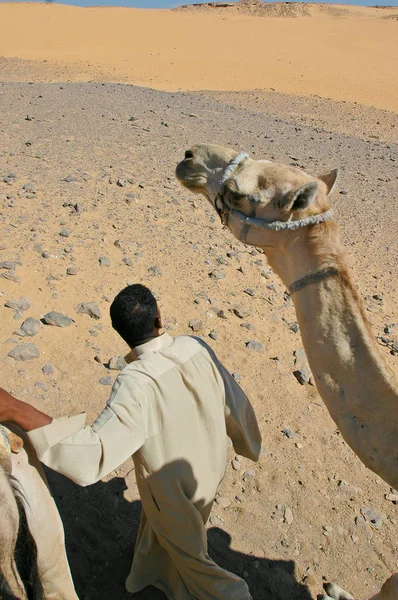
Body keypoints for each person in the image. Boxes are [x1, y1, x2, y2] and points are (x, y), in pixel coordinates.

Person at [0, 284, 261, 600]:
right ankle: (157, 573)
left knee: (197, 563)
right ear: (158, 318)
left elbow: (92, 453)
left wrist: (15, 408)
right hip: (209, 467)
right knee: (175, 533)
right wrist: (245, 439)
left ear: (118, 332)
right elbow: (234, 398)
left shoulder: (136, 383)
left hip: (174, 491)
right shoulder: (196, 346)